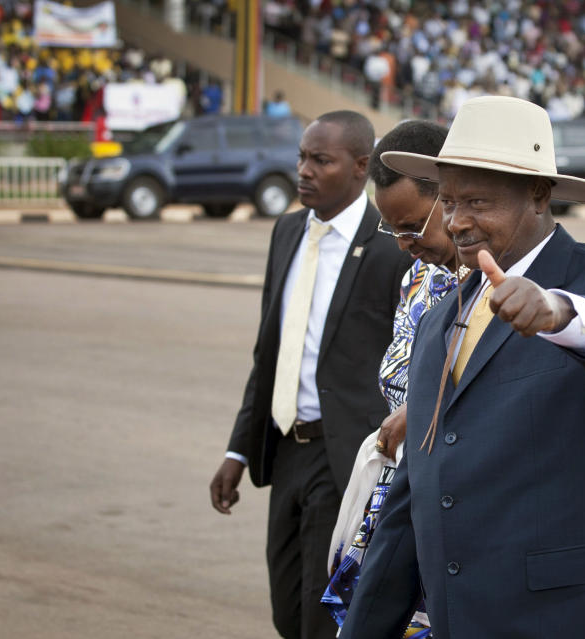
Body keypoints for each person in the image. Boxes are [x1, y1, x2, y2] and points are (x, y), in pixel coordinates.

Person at [339, 96, 585, 638]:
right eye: (449, 203)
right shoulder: (438, 326)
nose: (458, 223)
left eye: (477, 201)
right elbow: (413, 500)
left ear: (539, 195)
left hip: (581, 620)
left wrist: (559, 312)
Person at [208, 110, 412, 639]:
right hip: (286, 449)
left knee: (320, 618)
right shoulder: (288, 230)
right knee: (286, 611)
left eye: (321, 160)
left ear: (360, 166)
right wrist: (238, 450)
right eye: (302, 157)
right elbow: (268, 353)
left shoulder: (391, 245)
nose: (304, 170)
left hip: (342, 453)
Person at [321, 120, 455, 637]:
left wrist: (422, 411)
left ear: (454, 196)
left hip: (449, 513)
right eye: (391, 228)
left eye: (413, 226)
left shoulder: (500, 288)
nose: (402, 243)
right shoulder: (417, 276)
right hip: (401, 496)